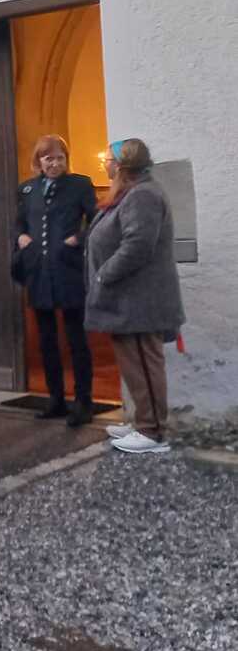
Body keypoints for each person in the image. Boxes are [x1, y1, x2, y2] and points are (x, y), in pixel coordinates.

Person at [86, 139, 185, 455]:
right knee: (134, 365)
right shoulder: (133, 192)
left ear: (121, 165)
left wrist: (103, 274)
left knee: (144, 363)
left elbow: (137, 246)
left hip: (141, 300)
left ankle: (152, 432)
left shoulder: (143, 195)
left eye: (107, 159)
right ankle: (143, 422)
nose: (104, 163)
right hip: (128, 300)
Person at [14, 134, 100, 426]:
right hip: (39, 272)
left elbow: (97, 220)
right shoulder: (27, 189)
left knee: (77, 339)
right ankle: (56, 399)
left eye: (60, 158)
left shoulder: (80, 185)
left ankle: (84, 402)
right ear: (39, 161)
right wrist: (21, 237)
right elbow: (19, 223)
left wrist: (78, 239)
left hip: (68, 270)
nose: (55, 163)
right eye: (48, 158)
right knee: (47, 339)